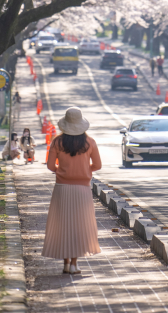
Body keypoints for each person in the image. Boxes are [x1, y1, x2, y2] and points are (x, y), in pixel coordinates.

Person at [43, 107, 102, 275]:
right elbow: (97, 165)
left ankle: (66, 263)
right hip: (82, 190)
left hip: (61, 189)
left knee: (63, 226)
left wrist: (62, 171)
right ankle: (74, 264)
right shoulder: (90, 142)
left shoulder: (57, 142)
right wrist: (83, 169)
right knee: (78, 226)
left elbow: (49, 166)